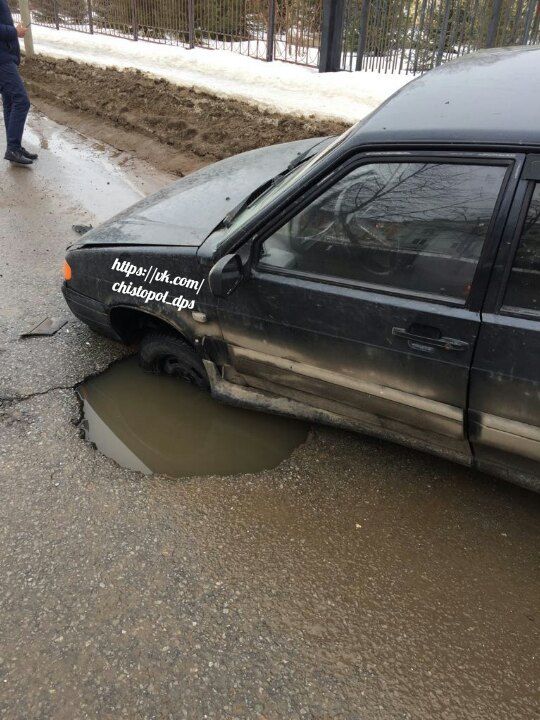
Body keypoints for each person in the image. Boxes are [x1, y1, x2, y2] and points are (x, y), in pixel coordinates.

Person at [0, 0, 37, 166]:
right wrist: (14, 31)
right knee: (22, 101)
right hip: (2, 59)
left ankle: (14, 147)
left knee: (10, 102)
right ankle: (13, 148)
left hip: (6, 56)